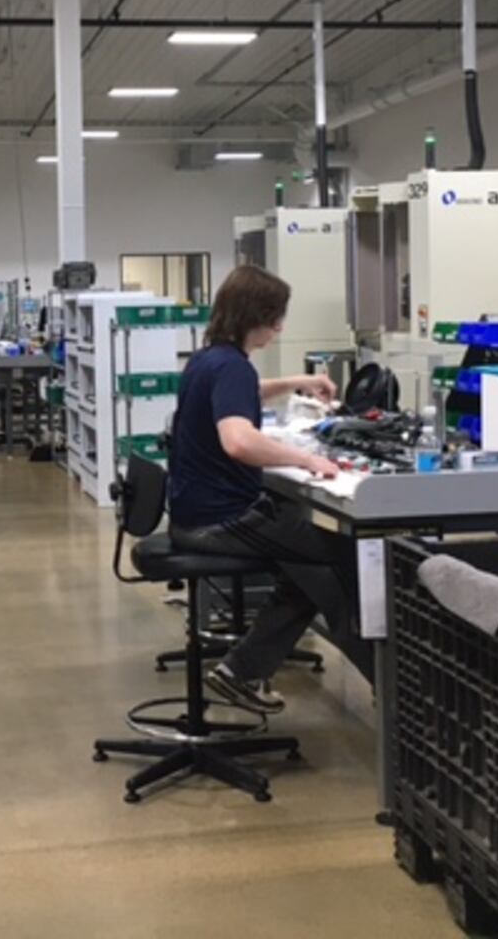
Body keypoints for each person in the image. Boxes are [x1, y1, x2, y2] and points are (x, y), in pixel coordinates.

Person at [166, 264, 368, 716]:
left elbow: (244, 393)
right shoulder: (230, 367)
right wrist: (308, 459)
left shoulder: (209, 360)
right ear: (253, 316)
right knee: (343, 556)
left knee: (309, 568)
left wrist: (298, 382)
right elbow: (237, 440)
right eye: (275, 317)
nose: (280, 327)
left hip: (193, 512)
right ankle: (389, 683)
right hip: (221, 520)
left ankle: (244, 668)